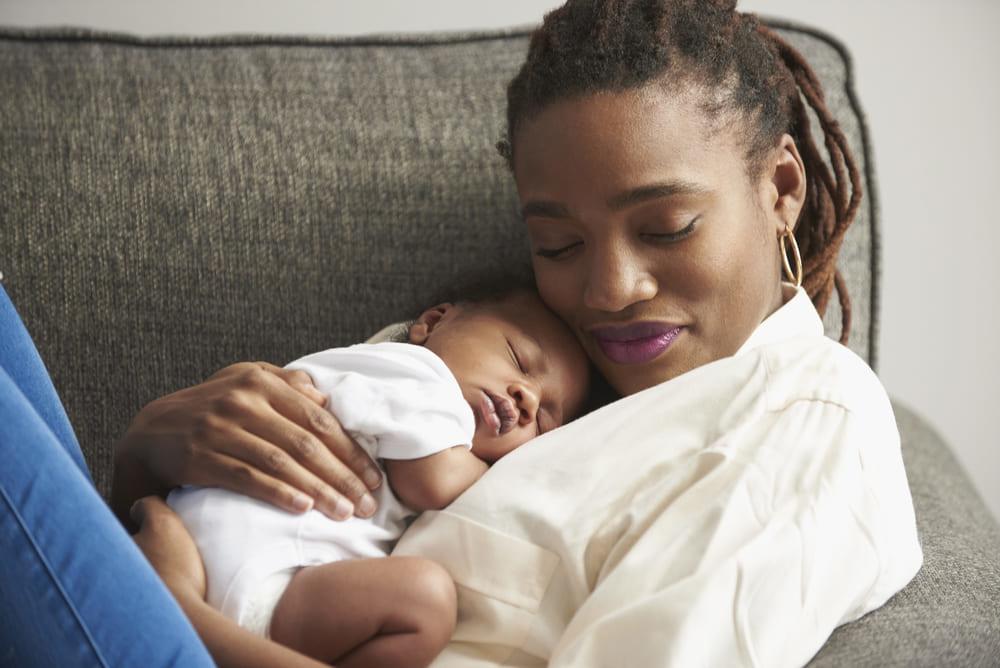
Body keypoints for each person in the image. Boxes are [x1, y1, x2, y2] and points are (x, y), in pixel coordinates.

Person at [0, 1, 922, 666]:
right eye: (556, 243)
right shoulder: (531, 358)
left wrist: (178, 611)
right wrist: (152, 452)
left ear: (782, 191)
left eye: (667, 226)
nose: (608, 290)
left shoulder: (800, 416)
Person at [166, 288, 590, 667]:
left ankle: (196, 624)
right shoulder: (418, 373)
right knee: (425, 598)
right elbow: (431, 481)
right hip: (255, 567)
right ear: (434, 322)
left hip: (211, 546)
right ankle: (199, 625)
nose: (528, 396)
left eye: (544, 424)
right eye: (518, 358)